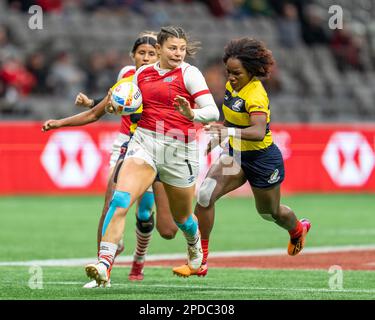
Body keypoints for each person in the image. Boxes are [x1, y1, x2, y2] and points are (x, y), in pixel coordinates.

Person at [84, 26, 220, 286]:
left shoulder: (190, 74)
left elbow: (212, 112)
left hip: (179, 150)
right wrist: (115, 106)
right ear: (159, 49)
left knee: (182, 219)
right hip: (145, 144)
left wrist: (192, 115)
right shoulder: (143, 73)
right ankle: (104, 264)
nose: (178, 53)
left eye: (181, 48)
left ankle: (194, 244)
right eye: (172, 48)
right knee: (120, 199)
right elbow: (129, 103)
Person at [42, 32, 178, 286]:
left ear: (159, 55)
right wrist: (60, 122)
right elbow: (106, 108)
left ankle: (139, 257)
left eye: (151, 53)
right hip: (128, 145)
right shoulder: (126, 76)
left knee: (166, 229)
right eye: (141, 53)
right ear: (133, 55)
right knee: (112, 201)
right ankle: (102, 266)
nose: (146, 58)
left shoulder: (171, 78)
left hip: (161, 148)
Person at [172, 37, 312, 277]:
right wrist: (221, 133)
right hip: (235, 154)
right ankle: (200, 261)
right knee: (205, 195)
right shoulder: (231, 87)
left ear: (252, 71)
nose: (231, 77)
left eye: (237, 73)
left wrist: (226, 131)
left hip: (262, 159)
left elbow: (258, 132)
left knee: (270, 213)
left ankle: (298, 229)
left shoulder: (256, 94)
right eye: (228, 72)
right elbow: (233, 119)